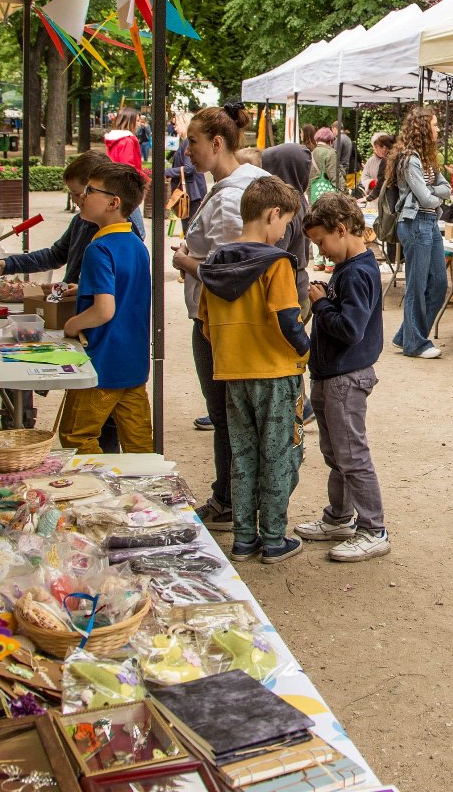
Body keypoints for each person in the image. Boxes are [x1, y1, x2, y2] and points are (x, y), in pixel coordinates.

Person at [197, 176, 310, 564]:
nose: (284, 233)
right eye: (285, 224)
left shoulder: (213, 264)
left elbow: (206, 327)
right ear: (272, 214)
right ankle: (274, 538)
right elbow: (287, 319)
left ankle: (244, 539)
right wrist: (306, 351)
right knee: (280, 455)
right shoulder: (276, 264)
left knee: (242, 456)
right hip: (276, 375)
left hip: (233, 375)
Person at [172, 108, 270, 524]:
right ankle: (233, 497)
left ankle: (230, 499)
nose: (186, 150)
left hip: (220, 321)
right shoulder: (240, 185)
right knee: (230, 415)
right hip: (222, 319)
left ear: (216, 143)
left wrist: (186, 262)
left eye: (192, 141)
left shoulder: (233, 194)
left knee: (226, 415)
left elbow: (233, 267)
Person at [298, 193, 390, 562]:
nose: (321, 250)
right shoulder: (348, 269)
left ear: (341, 229)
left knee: (352, 456)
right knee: (337, 455)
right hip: (330, 376)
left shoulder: (358, 273)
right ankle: (339, 518)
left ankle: (373, 528)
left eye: (322, 242)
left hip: (344, 378)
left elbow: (350, 329)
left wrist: (321, 304)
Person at [57, 162, 155, 455]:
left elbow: (104, 310)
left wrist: (72, 325)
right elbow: (124, 293)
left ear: (113, 202)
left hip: (102, 364)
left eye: (89, 191)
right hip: (133, 363)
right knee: (140, 444)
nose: (82, 197)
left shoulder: (98, 248)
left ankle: (100, 494)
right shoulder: (136, 244)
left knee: (76, 436)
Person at [3, 152, 146, 288]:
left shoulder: (110, 243)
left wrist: (79, 292)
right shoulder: (81, 221)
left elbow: (110, 298)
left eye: (80, 193)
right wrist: (7, 264)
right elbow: (56, 255)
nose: (75, 199)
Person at [389, 107, 451, 359]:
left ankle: (407, 336)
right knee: (417, 284)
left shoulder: (427, 160)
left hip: (429, 222)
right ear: (424, 128)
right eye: (435, 125)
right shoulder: (410, 159)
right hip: (415, 223)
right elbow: (428, 195)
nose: (438, 129)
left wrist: (433, 193)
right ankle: (415, 344)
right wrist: (435, 193)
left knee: (439, 283)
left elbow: (445, 187)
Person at [258, 142, 317, 307]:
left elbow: (274, 258)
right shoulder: (298, 200)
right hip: (298, 289)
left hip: (286, 297)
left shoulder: (284, 209)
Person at [309, 127, 343, 198]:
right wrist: (346, 194)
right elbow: (335, 178)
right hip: (328, 198)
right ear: (330, 142)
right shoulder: (331, 153)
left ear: (316, 141)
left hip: (313, 194)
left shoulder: (311, 153)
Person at [360, 134, 393, 199]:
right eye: (374, 148)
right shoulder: (371, 161)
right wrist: (371, 183)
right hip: (374, 196)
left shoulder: (390, 159)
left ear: (384, 147)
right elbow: (364, 177)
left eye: (377, 148)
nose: (376, 151)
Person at [333, 123, 358, 189]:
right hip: (347, 168)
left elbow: (335, 156)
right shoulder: (348, 138)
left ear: (335, 129)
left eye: (332, 131)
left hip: (340, 169)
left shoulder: (338, 139)